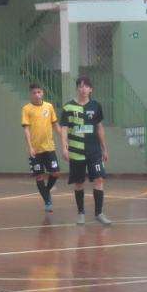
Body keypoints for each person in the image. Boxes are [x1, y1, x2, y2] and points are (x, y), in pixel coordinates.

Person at [60, 76, 111, 225]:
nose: (83, 89)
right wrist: (64, 147)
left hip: (94, 150)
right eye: (80, 86)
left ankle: (99, 213)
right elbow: (64, 128)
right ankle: (81, 213)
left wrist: (104, 149)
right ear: (77, 88)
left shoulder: (96, 106)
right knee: (78, 182)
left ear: (91, 89)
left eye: (86, 86)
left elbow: (99, 127)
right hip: (76, 151)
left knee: (99, 179)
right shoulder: (68, 107)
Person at [21, 83, 62, 213]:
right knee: (39, 177)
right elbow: (26, 130)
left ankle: (46, 191)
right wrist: (30, 147)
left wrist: (64, 138)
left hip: (49, 147)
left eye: (39, 92)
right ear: (31, 94)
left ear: (42, 93)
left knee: (55, 172)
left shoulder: (49, 107)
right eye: (34, 93)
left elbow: (55, 124)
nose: (37, 95)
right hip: (36, 150)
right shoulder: (26, 109)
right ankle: (47, 201)